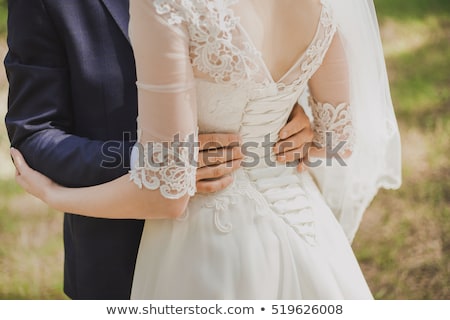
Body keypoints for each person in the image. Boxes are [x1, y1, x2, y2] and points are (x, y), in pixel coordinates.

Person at [9, 0, 402, 299]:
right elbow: (36, 132)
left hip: (198, 246)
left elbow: (168, 193)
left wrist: (286, 118)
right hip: (117, 255)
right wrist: (146, 161)